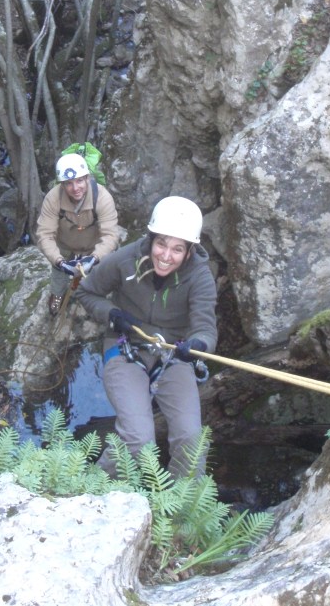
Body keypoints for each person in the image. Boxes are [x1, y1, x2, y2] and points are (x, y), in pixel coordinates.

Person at [75, 196, 217, 478]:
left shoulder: (200, 277)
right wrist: (113, 314)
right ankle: (93, 491)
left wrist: (197, 346)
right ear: (151, 239)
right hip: (125, 348)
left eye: (177, 249)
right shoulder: (125, 260)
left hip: (173, 355)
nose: (166, 255)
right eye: (161, 243)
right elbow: (86, 291)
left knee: (191, 441)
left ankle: (182, 511)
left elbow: (205, 326)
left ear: (189, 251)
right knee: (137, 439)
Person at [35, 152, 120, 316]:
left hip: (93, 248)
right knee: (58, 275)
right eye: (69, 183)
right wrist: (59, 261)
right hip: (65, 248)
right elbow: (45, 234)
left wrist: (95, 257)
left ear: (88, 178)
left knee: (102, 271)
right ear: (62, 184)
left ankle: (97, 293)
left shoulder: (102, 198)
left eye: (80, 180)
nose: (75, 188)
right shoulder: (53, 199)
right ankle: (57, 294)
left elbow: (110, 235)